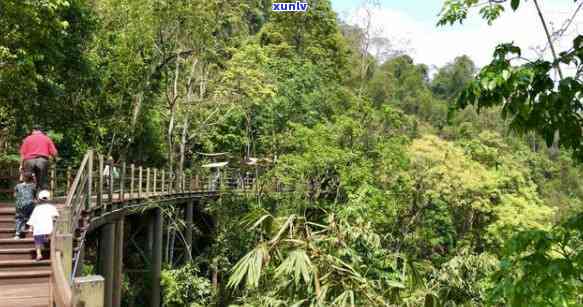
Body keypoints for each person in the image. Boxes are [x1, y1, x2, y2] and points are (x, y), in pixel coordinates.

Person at [20, 125, 58, 190]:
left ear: (33, 130)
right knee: (42, 182)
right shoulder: (46, 138)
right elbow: (54, 152)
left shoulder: (27, 139)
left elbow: (22, 154)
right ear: (41, 130)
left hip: (29, 161)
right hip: (42, 161)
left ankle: (28, 196)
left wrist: (21, 165)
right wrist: (54, 159)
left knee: (27, 181)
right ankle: (41, 195)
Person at [27, 190, 59, 261]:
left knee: (37, 242)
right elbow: (55, 217)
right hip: (48, 227)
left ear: (39, 199)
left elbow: (33, 218)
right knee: (51, 241)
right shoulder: (52, 207)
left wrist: (31, 227)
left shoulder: (37, 208)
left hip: (38, 228)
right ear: (49, 199)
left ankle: (39, 254)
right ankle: (52, 253)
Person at [13, 172, 36, 239]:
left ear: (23, 178)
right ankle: (30, 228)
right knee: (31, 216)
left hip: (20, 205)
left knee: (19, 218)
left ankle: (17, 234)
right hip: (30, 204)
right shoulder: (33, 186)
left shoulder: (17, 186)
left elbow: (14, 195)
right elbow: (35, 195)